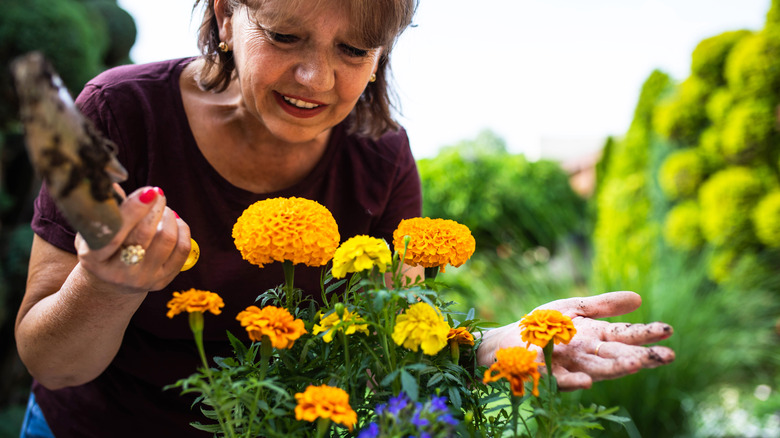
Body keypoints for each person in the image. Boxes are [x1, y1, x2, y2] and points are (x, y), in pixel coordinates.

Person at [15, 0, 675, 436]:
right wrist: (110, 285)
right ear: (224, 16)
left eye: (353, 51)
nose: (313, 76)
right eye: (284, 36)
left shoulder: (380, 158)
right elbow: (53, 359)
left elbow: (372, 347)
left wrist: (489, 345)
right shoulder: (121, 113)